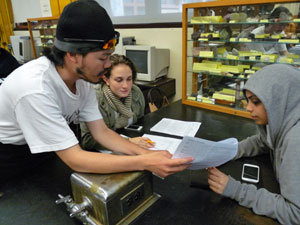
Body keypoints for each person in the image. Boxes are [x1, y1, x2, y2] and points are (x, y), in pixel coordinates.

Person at [0, 0, 193, 183]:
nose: (108, 65)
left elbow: (101, 132)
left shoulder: (82, 80)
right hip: (11, 156)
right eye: (103, 58)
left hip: (46, 151)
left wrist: (147, 153)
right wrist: (145, 162)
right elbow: (76, 159)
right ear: (73, 55)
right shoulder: (35, 89)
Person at [207, 64, 300, 224]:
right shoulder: (284, 120)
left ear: (280, 101)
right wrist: (228, 151)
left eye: (256, 102)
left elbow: (294, 213)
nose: (248, 108)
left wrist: (236, 190)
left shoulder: (295, 140)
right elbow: (263, 141)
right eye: (248, 100)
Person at [80, 54, 154, 150]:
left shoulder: (136, 92)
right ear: (106, 79)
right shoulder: (93, 99)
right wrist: (128, 142)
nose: (126, 86)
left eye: (129, 79)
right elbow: (88, 141)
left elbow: (140, 124)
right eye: (119, 80)